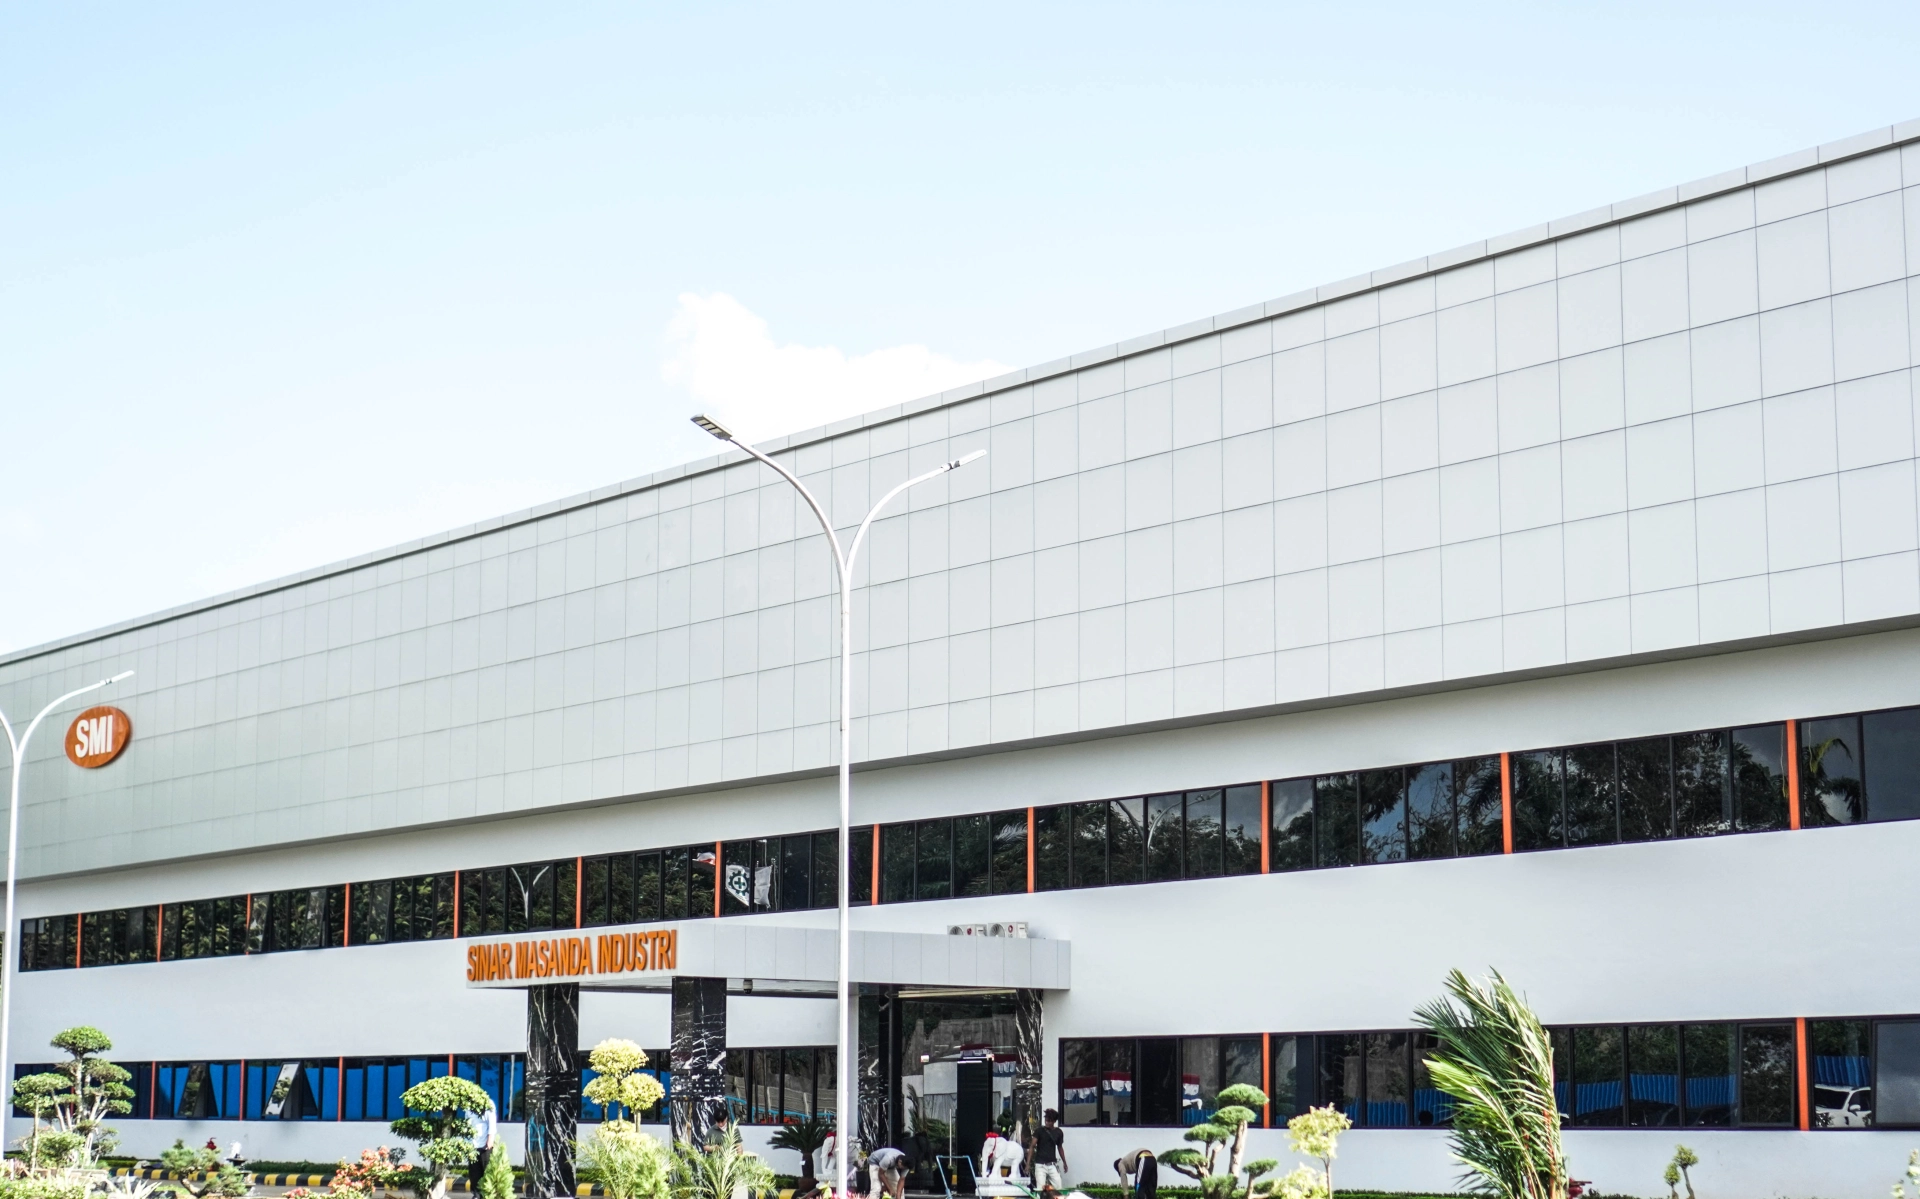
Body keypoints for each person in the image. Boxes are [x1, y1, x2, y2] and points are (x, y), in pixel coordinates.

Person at [1029, 1110, 1067, 1199]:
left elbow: (1060, 1148)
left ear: (1054, 1121)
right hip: (1040, 1165)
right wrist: (1028, 1164)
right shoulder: (1039, 1131)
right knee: (1040, 1190)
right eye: (1046, 1120)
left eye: (1049, 1121)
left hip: (1052, 1164)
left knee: (1058, 1187)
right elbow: (1032, 1146)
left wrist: (1065, 1162)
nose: (1047, 1122)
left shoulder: (1058, 1132)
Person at [467, 1101, 498, 1193]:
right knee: (474, 1172)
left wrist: (490, 1139)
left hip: (485, 1145)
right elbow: (467, 1123)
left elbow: (492, 1123)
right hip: (472, 1145)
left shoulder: (487, 1103)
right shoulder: (468, 1105)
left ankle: (488, 1193)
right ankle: (476, 1194)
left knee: (486, 1170)